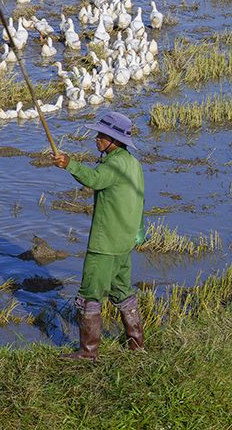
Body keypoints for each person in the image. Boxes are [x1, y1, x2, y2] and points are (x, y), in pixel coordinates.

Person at [52, 111, 145, 361]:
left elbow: (94, 179)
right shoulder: (132, 163)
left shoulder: (113, 165)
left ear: (114, 141)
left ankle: (88, 352)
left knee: (89, 295)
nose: (96, 138)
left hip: (105, 243)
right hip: (125, 241)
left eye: (102, 135)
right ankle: (137, 345)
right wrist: (138, 231)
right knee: (122, 290)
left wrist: (69, 164)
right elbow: (139, 199)